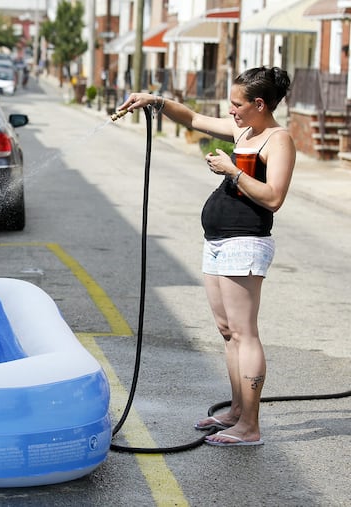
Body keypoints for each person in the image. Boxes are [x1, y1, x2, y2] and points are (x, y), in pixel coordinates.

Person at [118, 67, 295, 447]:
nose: (231, 111)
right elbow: (195, 118)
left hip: (244, 242)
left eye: (237, 104)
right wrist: (156, 101)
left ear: (259, 104)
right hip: (218, 241)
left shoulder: (278, 141)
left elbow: (274, 197)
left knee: (245, 334)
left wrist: (232, 171)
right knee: (228, 332)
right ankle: (236, 411)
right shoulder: (246, 131)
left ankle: (250, 426)